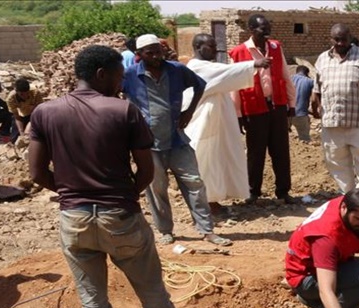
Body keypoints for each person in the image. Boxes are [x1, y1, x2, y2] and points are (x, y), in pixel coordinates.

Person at [27, 45, 200, 308]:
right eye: (119, 76)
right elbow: (146, 171)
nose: (122, 84)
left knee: (93, 300)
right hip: (120, 217)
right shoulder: (124, 111)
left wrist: (69, 193)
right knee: (152, 291)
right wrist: (125, 195)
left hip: (74, 220)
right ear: (101, 74)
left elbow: (36, 173)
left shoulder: (45, 113)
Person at [123, 34, 231, 246]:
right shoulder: (129, 75)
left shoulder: (176, 70)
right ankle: (165, 230)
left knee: (195, 183)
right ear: (139, 55)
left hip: (176, 139)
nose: (156, 55)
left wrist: (188, 112)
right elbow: (112, 94)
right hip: (148, 144)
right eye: (150, 52)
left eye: (158, 50)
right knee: (156, 189)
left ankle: (207, 230)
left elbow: (199, 86)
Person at [184, 34, 262, 215]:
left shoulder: (208, 68)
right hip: (203, 126)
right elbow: (226, 72)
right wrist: (253, 65)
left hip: (216, 125)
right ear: (198, 47)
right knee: (206, 163)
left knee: (217, 162)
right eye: (210, 46)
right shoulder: (198, 68)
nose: (215, 49)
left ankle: (214, 201)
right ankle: (206, 204)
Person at [228, 14, 297, 204]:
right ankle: (253, 192)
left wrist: (291, 104)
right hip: (253, 108)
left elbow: (285, 75)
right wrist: (238, 114)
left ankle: (283, 191)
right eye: (261, 28)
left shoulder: (275, 47)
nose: (266, 31)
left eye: (268, 27)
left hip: (277, 106)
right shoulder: (239, 52)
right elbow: (234, 87)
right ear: (251, 30)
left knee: (281, 150)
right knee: (255, 152)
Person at [311, 24, 359, 194]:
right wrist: (315, 105)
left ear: (350, 38)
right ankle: (348, 195)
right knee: (336, 161)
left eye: (343, 39)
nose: (340, 43)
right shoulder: (322, 59)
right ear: (330, 39)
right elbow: (317, 88)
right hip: (332, 122)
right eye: (336, 39)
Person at [290, 65, 314, 142]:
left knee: (282, 140)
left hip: (286, 113)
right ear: (307, 73)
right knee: (305, 139)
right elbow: (314, 99)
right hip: (301, 114)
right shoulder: (309, 81)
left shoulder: (289, 79)